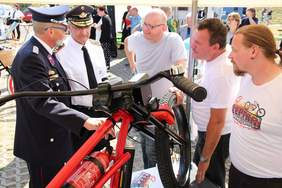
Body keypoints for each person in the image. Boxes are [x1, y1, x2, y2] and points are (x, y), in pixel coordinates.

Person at [11, 5, 107, 187]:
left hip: (53, 138)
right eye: (64, 28)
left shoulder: (44, 52)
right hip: (42, 142)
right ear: (51, 31)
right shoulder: (31, 57)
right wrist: (85, 121)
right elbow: (43, 101)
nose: (67, 32)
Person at [124, 8, 187, 169]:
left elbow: (181, 65)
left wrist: (178, 88)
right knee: (146, 145)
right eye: (144, 24)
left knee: (158, 150)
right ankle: (151, 176)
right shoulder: (137, 38)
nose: (146, 29)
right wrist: (132, 64)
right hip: (142, 102)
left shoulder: (173, 40)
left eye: (152, 26)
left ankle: (161, 177)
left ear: (164, 27)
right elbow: (126, 43)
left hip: (164, 103)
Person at [228, 24, 282, 188]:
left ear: (253, 51)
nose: (230, 55)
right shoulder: (246, 78)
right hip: (237, 174)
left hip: (267, 182)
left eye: (235, 50)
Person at [190, 18, 240, 188]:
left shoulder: (221, 72)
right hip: (207, 131)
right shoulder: (214, 58)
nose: (192, 45)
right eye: (193, 39)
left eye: (198, 42)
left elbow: (217, 121)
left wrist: (205, 159)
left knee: (208, 179)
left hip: (216, 135)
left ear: (215, 47)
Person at [57, 5, 110, 152]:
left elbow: (103, 77)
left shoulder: (96, 47)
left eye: (88, 27)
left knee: (102, 157)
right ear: (69, 26)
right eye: (79, 28)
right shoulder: (60, 52)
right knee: (79, 162)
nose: (85, 32)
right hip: (78, 115)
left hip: (100, 112)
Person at [97, 6, 114, 70]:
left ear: (102, 11)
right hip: (107, 38)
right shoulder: (106, 17)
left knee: (105, 53)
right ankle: (107, 66)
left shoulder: (104, 18)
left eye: (98, 12)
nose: (97, 13)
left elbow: (103, 29)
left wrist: (97, 27)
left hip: (105, 39)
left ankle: (107, 66)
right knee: (106, 53)